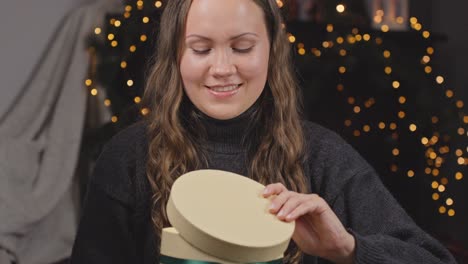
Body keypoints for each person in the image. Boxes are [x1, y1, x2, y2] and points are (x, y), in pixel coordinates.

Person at [70, 0, 457, 263]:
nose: (221, 68)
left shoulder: (322, 155)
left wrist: (348, 249)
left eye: (242, 47)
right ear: (176, 56)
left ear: (272, 50)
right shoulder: (129, 157)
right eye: (201, 49)